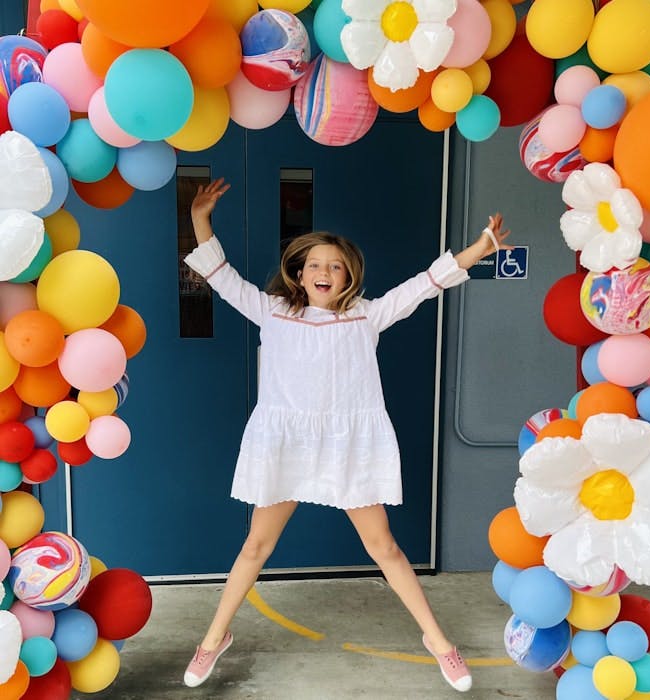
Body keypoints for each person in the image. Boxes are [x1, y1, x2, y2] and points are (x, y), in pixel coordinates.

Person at [182, 178, 512, 693]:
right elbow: (222, 277)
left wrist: (479, 248)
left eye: (334, 265)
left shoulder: (367, 315)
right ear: (298, 272)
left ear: (348, 276)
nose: (323, 271)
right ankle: (213, 639)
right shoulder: (273, 310)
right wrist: (201, 218)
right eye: (314, 263)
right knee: (255, 548)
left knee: (386, 548)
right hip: (287, 443)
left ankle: (438, 642)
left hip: (348, 446)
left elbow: (425, 284)